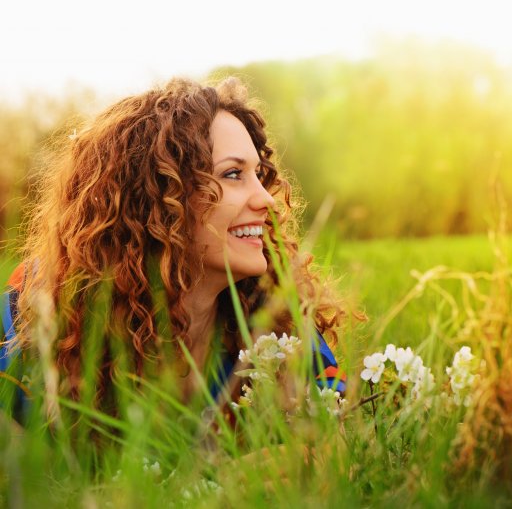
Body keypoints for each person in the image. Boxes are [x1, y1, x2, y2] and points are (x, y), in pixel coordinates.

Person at [0, 77, 348, 426]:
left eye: (258, 174)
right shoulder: (27, 320)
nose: (267, 199)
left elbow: (341, 426)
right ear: (155, 201)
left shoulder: (278, 321)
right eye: (232, 174)